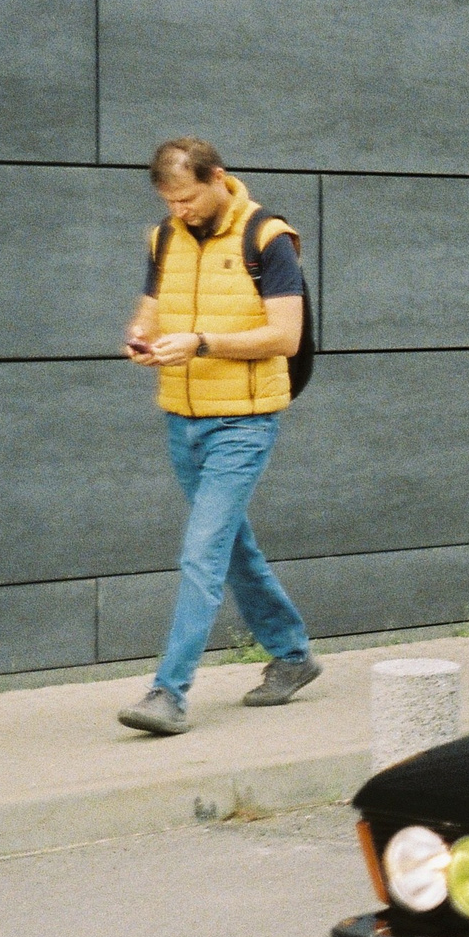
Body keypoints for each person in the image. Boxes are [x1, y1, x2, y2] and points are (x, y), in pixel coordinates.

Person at [116, 138, 321, 735]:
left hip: (244, 421)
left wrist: (202, 342)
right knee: (231, 547)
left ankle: (168, 694)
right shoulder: (164, 237)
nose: (179, 209)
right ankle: (292, 656)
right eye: (169, 200)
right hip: (182, 417)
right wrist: (140, 336)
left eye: (187, 197)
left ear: (218, 178)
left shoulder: (267, 237)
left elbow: (284, 336)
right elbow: (153, 306)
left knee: (202, 551)